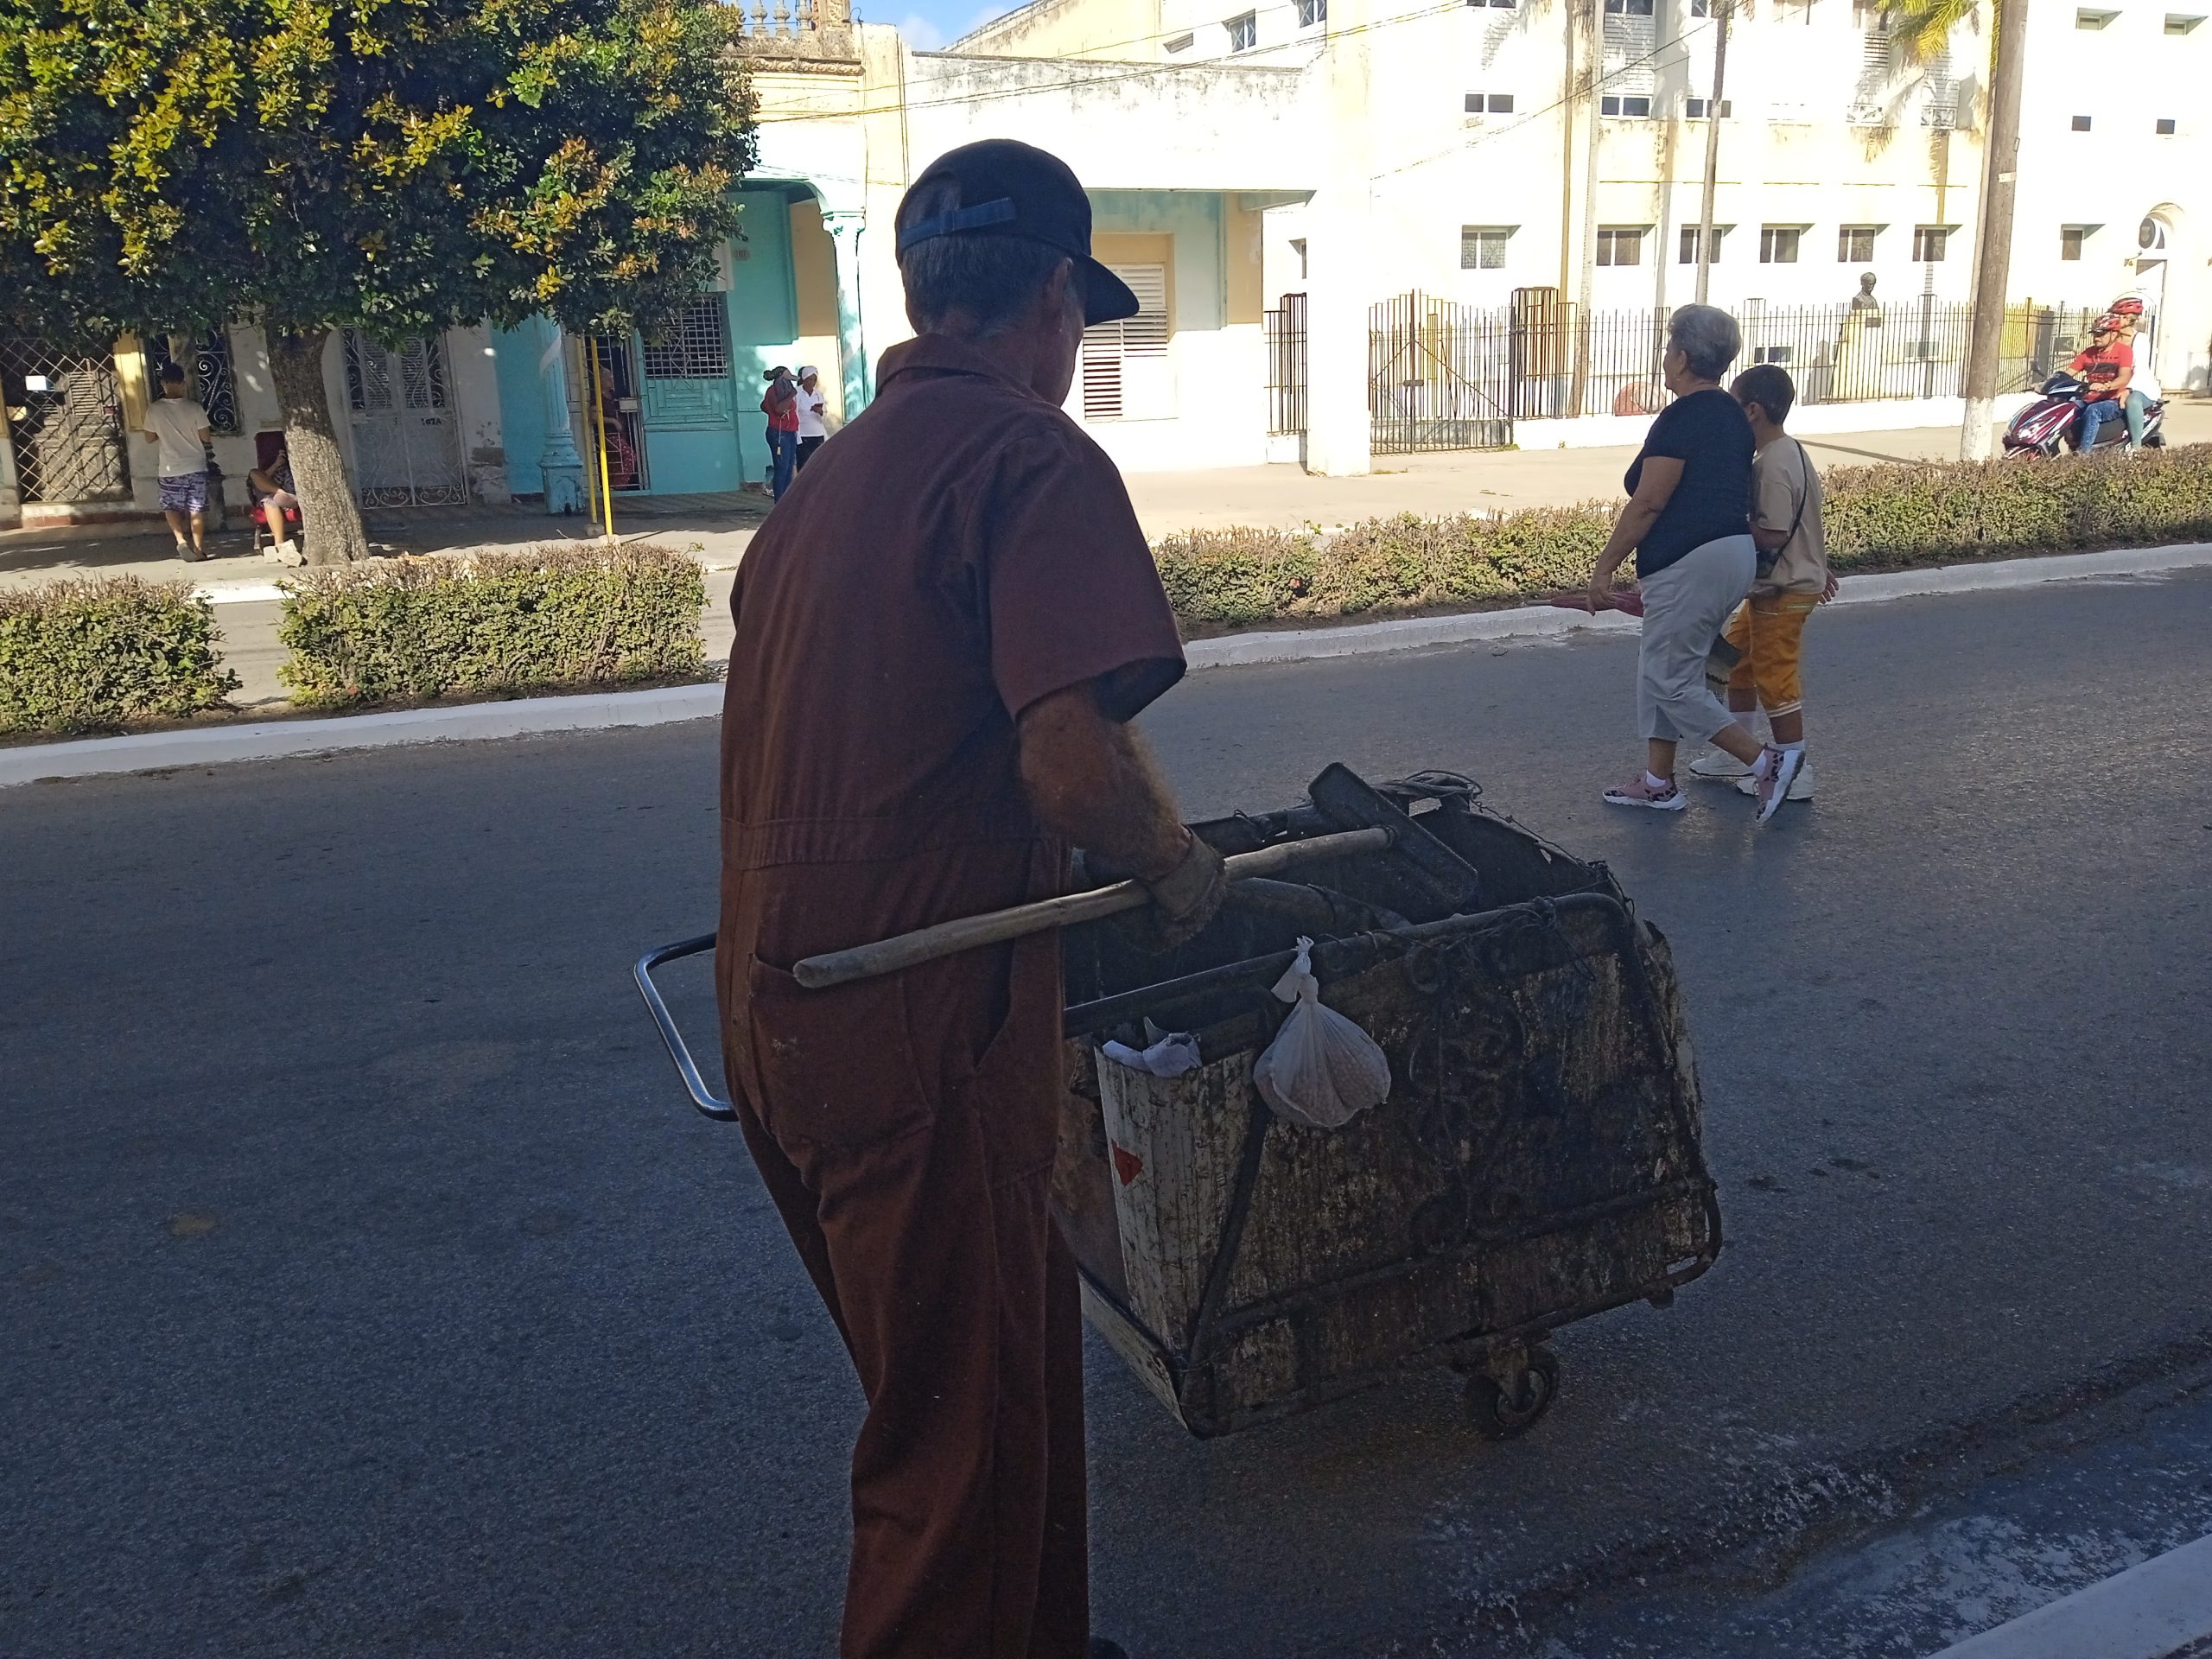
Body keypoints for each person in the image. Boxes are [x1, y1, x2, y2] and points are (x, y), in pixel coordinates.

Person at [715, 137, 1224, 1659]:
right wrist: (1177, 863)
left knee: (980, 1383)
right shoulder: (1028, 456)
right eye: (1083, 316)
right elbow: (1074, 764)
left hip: (779, 1003)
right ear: (1056, 295)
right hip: (918, 1017)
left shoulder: (824, 487)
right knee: (952, 1452)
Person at [1586, 303, 1804, 822]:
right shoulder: (1732, 414)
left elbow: (1650, 500)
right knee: (1663, 670)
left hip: (1692, 560)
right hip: (1728, 555)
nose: (1664, 358)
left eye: (1667, 348)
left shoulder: (1683, 415)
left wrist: (1605, 567)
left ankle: (1766, 762)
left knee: (1670, 679)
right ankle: (1659, 782)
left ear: (1682, 358)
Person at [1689, 365, 1835, 805]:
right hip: (1779, 586)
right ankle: (1741, 753)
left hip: (1782, 590)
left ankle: (1794, 769)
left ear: (1751, 411)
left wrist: (1725, 522)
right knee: (1736, 662)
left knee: (1775, 676)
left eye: (1734, 403)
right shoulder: (1788, 451)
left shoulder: (1772, 464)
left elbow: (1773, 532)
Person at [139, 365, 213, 562]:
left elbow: (149, 438)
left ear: (163, 383)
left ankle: (180, 540)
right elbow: (206, 437)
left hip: (169, 467)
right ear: (183, 382)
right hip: (196, 465)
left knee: (171, 507)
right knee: (196, 508)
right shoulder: (194, 407)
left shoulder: (154, 409)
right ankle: (198, 548)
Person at [2066, 317, 2132, 449]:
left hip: (2113, 400)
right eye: (2095, 334)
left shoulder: (2123, 351)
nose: (2096, 338)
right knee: (2066, 409)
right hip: (2088, 398)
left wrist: (2106, 386)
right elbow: (2067, 374)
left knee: (2093, 411)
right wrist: (2047, 383)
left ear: (2114, 334)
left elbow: (2124, 377)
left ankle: (2084, 454)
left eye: (2101, 334)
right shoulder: (2088, 353)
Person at [2110, 296, 2160, 453]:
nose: (2117, 320)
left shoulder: (2140, 339)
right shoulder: (2110, 338)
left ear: (2131, 319)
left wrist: (2128, 389)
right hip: (2115, 383)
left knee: (2132, 402)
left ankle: (2136, 446)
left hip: (2140, 386)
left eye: (2122, 316)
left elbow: (2141, 369)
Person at [248, 438, 302, 555]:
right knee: (268, 500)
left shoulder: (299, 463)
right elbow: (262, 478)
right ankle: (279, 545)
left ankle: (280, 494)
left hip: (293, 497)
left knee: (274, 499)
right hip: (275, 494)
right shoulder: (276, 467)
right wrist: (277, 463)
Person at [761, 365, 800, 498]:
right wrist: (790, 396)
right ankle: (780, 501)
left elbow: (764, 406)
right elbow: (778, 409)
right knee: (782, 469)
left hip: (790, 432)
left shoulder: (785, 389)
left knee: (789, 469)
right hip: (779, 434)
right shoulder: (773, 391)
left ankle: (787, 501)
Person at [795, 365, 830, 470]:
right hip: (803, 433)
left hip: (817, 433)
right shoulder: (797, 393)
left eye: (814, 380)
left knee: (818, 464)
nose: (812, 382)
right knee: (804, 464)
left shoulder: (818, 394)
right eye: (809, 379)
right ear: (804, 379)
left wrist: (820, 412)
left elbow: (825, 414)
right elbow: (794, 412)